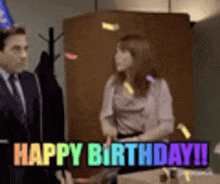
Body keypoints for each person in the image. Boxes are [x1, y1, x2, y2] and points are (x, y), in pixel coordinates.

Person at [100, 35, 175, 179]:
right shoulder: (113, 83)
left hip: (150, 147)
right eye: (116, 52)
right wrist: (107, 127)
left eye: (122, 52)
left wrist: (136, 141)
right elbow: (105, 115)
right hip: (122, 146)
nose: (116, 57)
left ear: (137, 56)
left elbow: (167, 126)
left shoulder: (158, 85)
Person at [0, 25, 49, 184]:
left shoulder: (30, 80)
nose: (23, 55)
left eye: (26, 49)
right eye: (16, 49)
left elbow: (37, 129)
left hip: (30, 168)